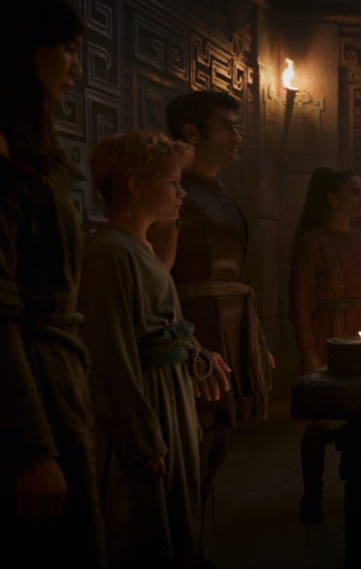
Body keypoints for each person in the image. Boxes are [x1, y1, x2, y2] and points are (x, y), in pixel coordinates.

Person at [0, 2, 105, 565]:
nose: (77, 69)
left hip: (48, 378)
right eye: (67, 51)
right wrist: (32, 449)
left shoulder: (14, 144)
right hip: (21, 395)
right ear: (24, 56)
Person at [79, 130, 233, 568]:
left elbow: (167, 325)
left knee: (174, 508)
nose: (181, 193)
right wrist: (140, 442)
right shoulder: (110, 253)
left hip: (168, 396)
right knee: (141, 520)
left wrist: (197, 354)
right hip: (147, 400)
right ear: (134, 185)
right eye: (172, 183)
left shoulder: (142, 247)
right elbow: (111, 354)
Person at [150, 90, 273, 516]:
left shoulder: (218, 192)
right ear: (191, 132)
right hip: (194, 331)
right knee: (191, 443)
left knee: (216, 442)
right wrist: (186, 344)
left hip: (229, 332)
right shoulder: (174, 194)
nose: (236, 137)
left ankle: (193, 531)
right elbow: (157, 278)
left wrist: (254, 341)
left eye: (236, 127)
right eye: (225, 127)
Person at [289, 167, 361, 524]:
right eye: (354, 192)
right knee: (319, 421)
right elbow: (300, 300)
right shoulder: (313, 242)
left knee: (358, 416)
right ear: (332, 198)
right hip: (327, 335)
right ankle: (312, 494)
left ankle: (355, 488)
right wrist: (308, 351)